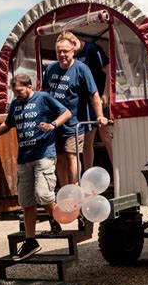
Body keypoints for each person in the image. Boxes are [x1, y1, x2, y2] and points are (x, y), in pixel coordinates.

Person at [0, 74, 71, 261]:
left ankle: (57, 216)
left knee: (43, 194)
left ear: (29, 86)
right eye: (14, 92)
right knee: (26, 202)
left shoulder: (43, 98)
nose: (16, 95)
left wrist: (52, 125)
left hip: (44, 155)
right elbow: (8, 124)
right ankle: (31, 241)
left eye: (19, 91)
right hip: (24, 158)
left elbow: (66, 113)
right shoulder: (16, 105)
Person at [42, 31, 108, 187]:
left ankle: (74, 190)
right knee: (60, 157)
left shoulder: (82, 69)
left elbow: (94, 94)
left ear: (73, 51)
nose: (62, 54)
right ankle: (64, 190)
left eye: (65, 51)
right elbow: (44, 93)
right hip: (55, 122)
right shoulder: (50, 69)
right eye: (59, 51)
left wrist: (100, 115)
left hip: (74, 122)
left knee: (72, 156)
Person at [72, 34, 113, 168]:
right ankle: (87, 175)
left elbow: (109, 70)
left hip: (100, 100)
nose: (70, 53)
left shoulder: (93, 49)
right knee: (86, 142)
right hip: (85, 104)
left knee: (106, 138)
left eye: (71, 50)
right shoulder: (73, 56)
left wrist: (106, 93)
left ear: (75, 41)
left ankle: (117, 172)